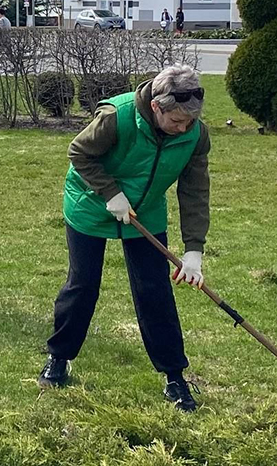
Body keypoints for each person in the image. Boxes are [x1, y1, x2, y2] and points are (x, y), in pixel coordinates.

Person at [37, 64, 211, 413]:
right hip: (90, 204)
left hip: (145, 211)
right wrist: (110, 192)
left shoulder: (195, 135)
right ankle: (59, 357)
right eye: (177, 121)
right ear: (157, 107)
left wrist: (194, 249)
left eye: (190, 121)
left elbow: (194, 191)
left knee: (154, 291)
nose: (184, 128)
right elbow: (79, 152)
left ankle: (174, 376)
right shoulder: (117, 117)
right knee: (83, 284)